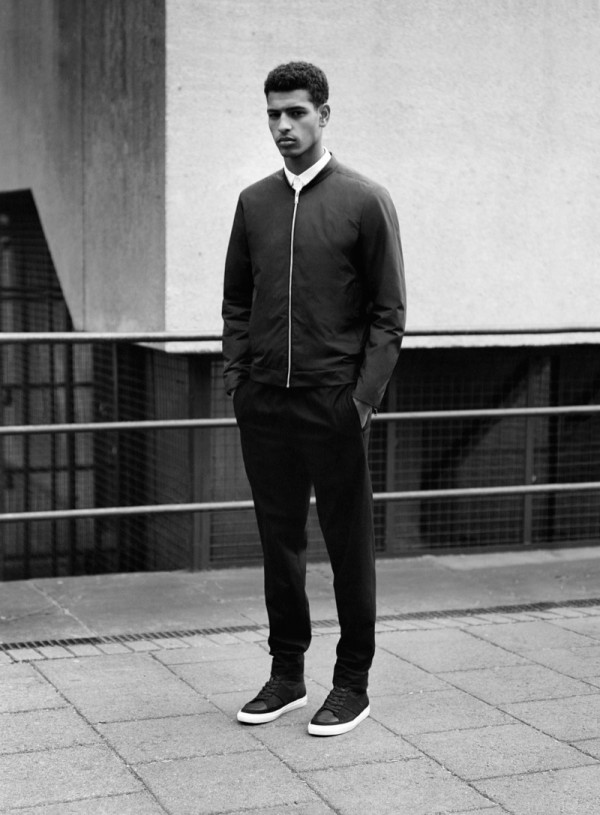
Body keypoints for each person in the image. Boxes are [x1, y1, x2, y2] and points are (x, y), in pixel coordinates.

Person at [222, 61, 406, 736]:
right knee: (279, 545)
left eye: (296, 112)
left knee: (348, 546)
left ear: (323, 115)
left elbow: (389, 313)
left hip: (334, 402)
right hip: (265, 403)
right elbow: (236, 302)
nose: (283, 126)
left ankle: (352, 683)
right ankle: (287, 675)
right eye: (273, 113)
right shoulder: (253, 203)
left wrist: (362, 399)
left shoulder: (364, 200)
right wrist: (239, 381)